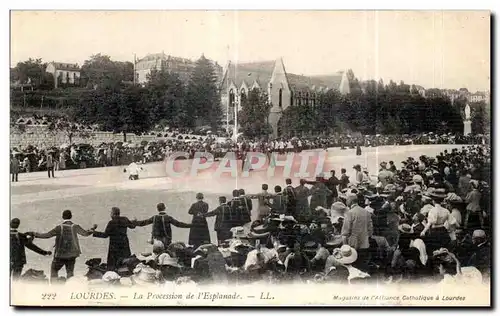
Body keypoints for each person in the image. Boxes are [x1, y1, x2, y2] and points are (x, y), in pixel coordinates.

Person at [29, 210, 96, 282]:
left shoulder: (59, 228)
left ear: (62, 217)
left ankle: (55, 288)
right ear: (71, 216)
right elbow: (85, 234)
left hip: (60, 255)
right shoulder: (75, 227)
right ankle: (69, 288)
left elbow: (47, 235)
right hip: (72, 255)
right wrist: (93, 229)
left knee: (54, 271)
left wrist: (34, 234)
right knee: (70, 273)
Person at [341, 194, 373, 272]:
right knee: (362, 264)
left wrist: (344, 245)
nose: (346, 201)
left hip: (353, 244)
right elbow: (370, 229)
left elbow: (345, 232)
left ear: (351, 201)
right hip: (365, 243)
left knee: (353, 266)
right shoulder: (366, 212)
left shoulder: (349, 213)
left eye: (347, 200)